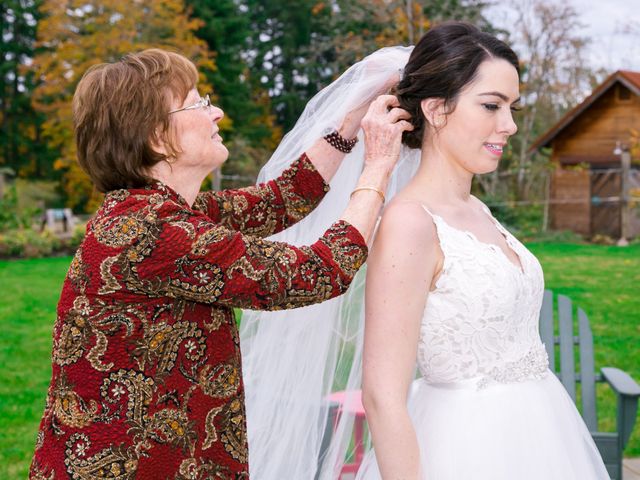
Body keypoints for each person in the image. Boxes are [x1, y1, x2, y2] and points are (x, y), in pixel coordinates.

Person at [240, 22, 609, 480]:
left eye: (512, 107)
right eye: (492, 105)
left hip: (540, 433)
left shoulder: (476, 208)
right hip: (464, 448)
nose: (509, 125)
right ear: (437, 110)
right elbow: (381, 395)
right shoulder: (409, 223)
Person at [29, 48, 412, 479]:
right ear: (157, 137)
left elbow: (282, 199)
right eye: (198, 102)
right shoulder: (155, 230)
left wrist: (349, 122)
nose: (218, 112)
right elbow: (314, 273)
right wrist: (378, 168)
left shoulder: (158, 213)